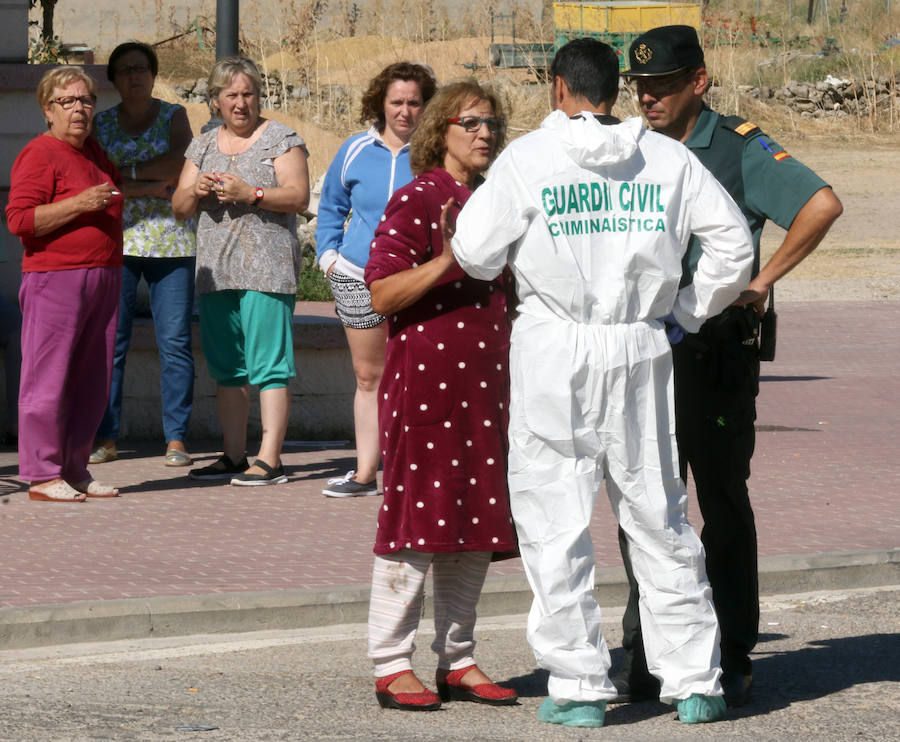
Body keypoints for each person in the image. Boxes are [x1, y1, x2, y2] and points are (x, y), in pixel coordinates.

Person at [451, 38, 756, 727]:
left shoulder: (528, 160)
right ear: (615, 89)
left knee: (554, 517)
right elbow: (734, 245)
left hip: (555, 345)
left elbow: (472, 253)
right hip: (640, 343)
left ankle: (580, 685)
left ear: (557, 87)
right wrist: (688, 308)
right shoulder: (667, 157)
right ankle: (695, 680)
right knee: (658, 512)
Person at [614, 25, 844, 707]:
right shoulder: (632, 151)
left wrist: (761, 281)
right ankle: (649, 646)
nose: (648, 98)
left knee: (718, 499)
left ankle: (733, 645)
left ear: (699, 82)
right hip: (646, 349)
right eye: (640, 87)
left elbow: (821, 204)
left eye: (662, 86)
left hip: (714, 351)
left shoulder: (738, 147)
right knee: (645, 502)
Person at [362, 80, 518, 712]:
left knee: (474, 521)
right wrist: (448, 261)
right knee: (417, 522)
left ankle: (458, 657)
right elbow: (380, 294)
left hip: (487, 390)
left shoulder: (497, 202)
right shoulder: (420, 197)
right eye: (472, 122)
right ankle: (390, 660)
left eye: (493, 125)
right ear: (440, 130)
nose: (485, 134)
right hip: (426, 389)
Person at [172, 56, 310, 486]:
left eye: (248, 93)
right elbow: (178, 208)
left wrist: (251, 192)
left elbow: (299, 196)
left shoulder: (281, 139)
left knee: (268, 365)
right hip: (216, 271)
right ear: (214, 100)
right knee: (227, 366)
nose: (240, 102)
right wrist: (193, 190)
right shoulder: (203, 145)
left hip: (266, 269)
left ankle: (270, 458)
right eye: (231, 95)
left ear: (258, 96)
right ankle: (233, 455)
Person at [316, 62, 437, 498]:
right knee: (368, 377)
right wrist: (329, 258)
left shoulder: (437, 153)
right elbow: (330, 206)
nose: (405, 112)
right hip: (356, 277)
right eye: (396, 102)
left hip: (417, 281)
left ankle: (414, 474)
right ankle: (366, 472)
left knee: (421, 377)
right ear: (381, 104)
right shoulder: (354, 150)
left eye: (414, 103)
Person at [5, 66, 124, 502]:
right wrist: (79, 204)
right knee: (47, 379)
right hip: (55, 280)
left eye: (86, 100)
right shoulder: (40, 153)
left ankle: (75, 468)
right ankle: (40, 473)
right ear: (47, 110)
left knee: (91, 383)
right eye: (67, 101)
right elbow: (20, 220)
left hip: (104, 277)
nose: (79, 109)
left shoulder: (94, 152)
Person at [90, 41, 197, 468]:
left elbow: (182, 168)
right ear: (113, 79)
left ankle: (176, 438)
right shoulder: (101, 124)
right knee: (109, 343)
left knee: (174, 343)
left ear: (153, 75)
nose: (134, 76)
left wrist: (127, 176)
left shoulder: (174, 116)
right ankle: (105, 435)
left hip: (172, 246)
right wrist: (148, 185)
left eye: (142, 68)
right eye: (125, 69)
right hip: (116, 243)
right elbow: (98, 184)